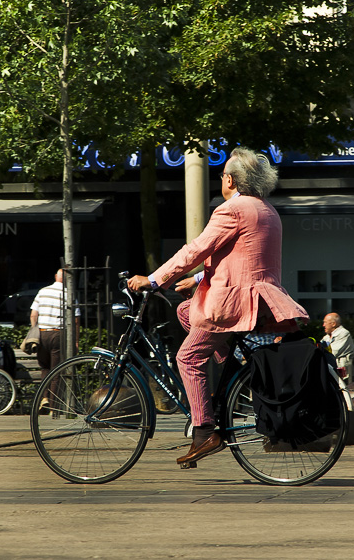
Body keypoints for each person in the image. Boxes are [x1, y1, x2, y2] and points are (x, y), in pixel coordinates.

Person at [128, 146, 308, 467]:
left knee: (188, 357)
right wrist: (197, 282)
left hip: (235, 303)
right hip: (262, 299)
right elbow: (244, 258)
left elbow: (195, 249)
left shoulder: (232, 209)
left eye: (222, 176)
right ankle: (231, 372)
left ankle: (204, 431)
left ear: (230, 179)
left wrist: (154, 280)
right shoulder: (267, 210)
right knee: (186, 312)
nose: (220, 181)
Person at [30, 268, 80, 408]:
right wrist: (76, 340)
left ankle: (44, 398)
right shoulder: (69, 294)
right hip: (58, 334)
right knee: (56, 370)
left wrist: (35, 330)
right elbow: (76, 320)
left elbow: (33, 315)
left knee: (45, 368)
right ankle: (53, 405)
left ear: (55, 277)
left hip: (42, 333)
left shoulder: (42, 291)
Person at [322, 312, 354, 383]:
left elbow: (334, 352)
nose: (323, 325)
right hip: (330, 367)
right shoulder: (326, 337)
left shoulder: (344, 333)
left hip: (342, 369)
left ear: (333, 324)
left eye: (325, 322)